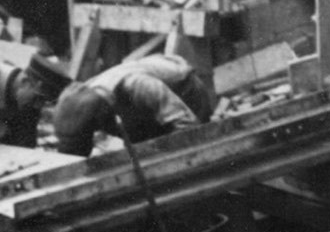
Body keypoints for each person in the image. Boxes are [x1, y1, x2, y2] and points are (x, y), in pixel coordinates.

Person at [50, 53, 214, 157]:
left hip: (186, 91)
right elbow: (75, 151)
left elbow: (188, 126)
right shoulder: (86, 97)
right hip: (141, 104)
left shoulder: (139, 85)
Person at [1, 51, 70, 148]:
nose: (38, 106)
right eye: (38, 98)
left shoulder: (30, 107)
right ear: (25, 81)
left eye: (45, 102)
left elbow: (25, 146)